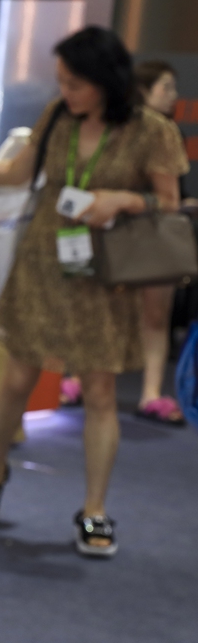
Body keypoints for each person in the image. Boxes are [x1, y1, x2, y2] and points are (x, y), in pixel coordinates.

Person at [0, 27, 188, 558]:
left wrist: (121, 199)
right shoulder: (58, 116)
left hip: (104, 274)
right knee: (18, 374)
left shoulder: (152, 131)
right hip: (44, 257)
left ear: (106, 81)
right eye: (62, 81)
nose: (66, 92)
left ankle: (94, 508)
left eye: (76, 83)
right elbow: (17, 173)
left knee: (101, 390)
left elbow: (170, 203)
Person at [132, 61, 187, 426]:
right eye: (165, 87)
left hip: (154, 235)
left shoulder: (166, 132)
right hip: (109, 232)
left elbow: (171, 195)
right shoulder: (115, 128)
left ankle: (150, 393)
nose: (173, 96)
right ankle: (78, 381)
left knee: (156, 316)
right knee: (100, 312)